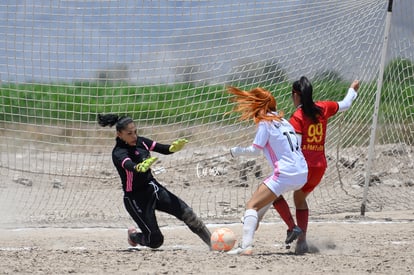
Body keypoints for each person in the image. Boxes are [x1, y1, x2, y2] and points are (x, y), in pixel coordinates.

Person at [272, 77, 359, 254]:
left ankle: (290, 227)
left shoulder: (297, 117)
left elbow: (294, 147)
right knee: (299, 198)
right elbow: (346, 104)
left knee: (272, 193)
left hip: (303, 167)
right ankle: (302, 241)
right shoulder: (323, 108)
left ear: (296, 95)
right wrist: (353, 89)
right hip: (319, 166)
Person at [98, 113, 211, 249]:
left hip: (153, 188)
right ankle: (133, 236)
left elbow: (162, 148)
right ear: (119, 134)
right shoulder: (118, 152)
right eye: (129, 133)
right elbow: (128, 164)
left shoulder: (141, 142)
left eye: (135, 132)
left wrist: (172, 148)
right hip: (135, 198)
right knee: (155, 241)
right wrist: (138, 167)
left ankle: (213, 243)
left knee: (188, 214)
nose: (134, 136)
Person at [225, 87, 308, 255]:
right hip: (302, 171)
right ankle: (261, 224)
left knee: (251, 205)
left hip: (286, 173)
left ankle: (245, 247)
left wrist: (236, 151)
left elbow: (255, 150)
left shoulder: (265, 122)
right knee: (267, 197)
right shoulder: (285, 121)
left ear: (258, 104)